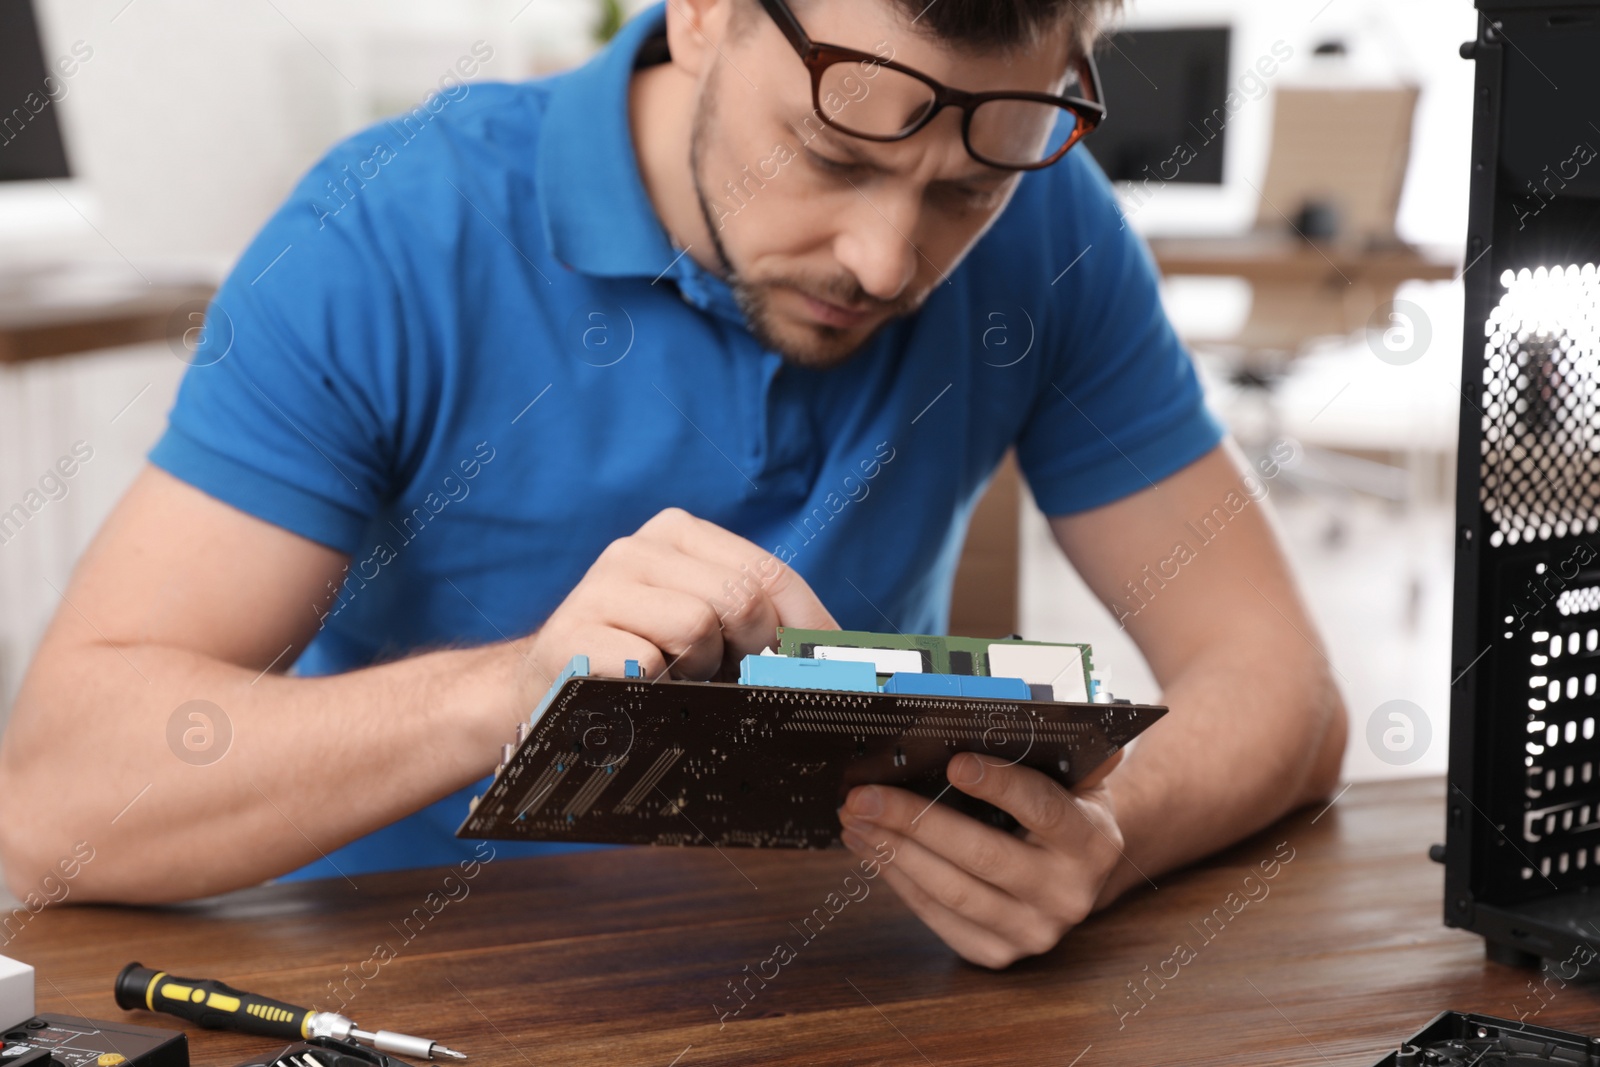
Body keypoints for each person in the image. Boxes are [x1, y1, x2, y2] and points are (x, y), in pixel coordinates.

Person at [0, 0, 1346, 969]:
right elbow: (54, 802)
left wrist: (1107, 831)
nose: (885, 259)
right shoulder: (392, 232)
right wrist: (513, 692)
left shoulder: (1053, 220)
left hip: (853, 986)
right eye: (835, 156)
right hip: (407, 987)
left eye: (961, 191)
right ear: (700, 14)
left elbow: (1281, 689)